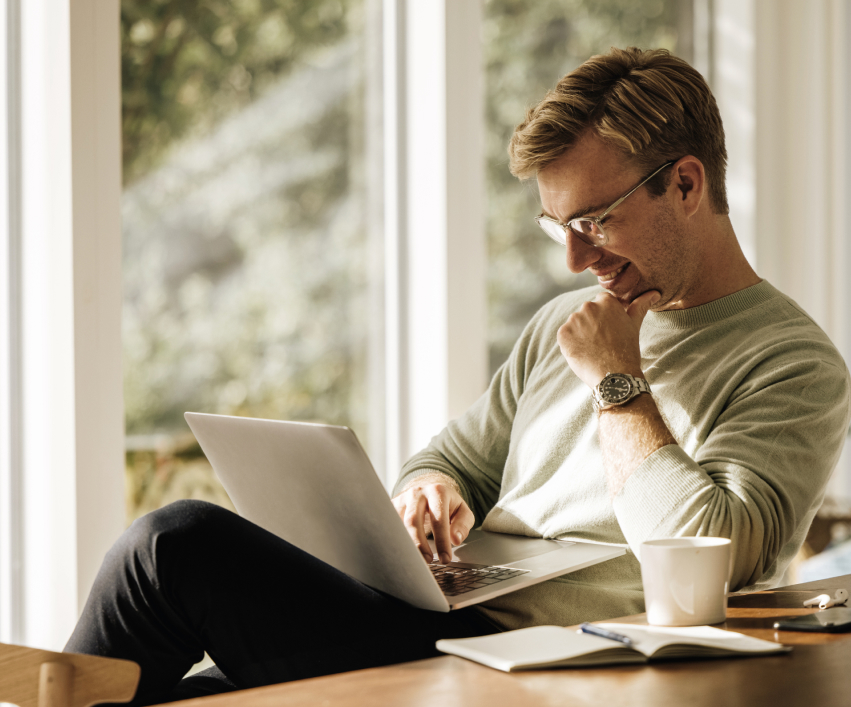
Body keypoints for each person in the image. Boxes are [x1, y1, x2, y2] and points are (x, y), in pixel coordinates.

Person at [66, 47, 851, 703]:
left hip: (548, 654)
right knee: (166, 691)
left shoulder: (792, 364)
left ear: (685, 184)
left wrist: (617, 381)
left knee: (173, 547)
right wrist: (427, 492)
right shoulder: (560, 326)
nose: (576, 259)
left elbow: (711, 549)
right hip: (433, 612)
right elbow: (452, 460)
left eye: (594, 221)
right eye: (558, 229)